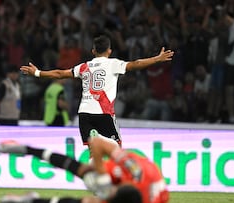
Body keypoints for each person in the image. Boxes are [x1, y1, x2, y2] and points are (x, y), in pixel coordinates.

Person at [20, 35, 174, 148]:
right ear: (109, 50)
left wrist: (38, 73)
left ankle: (95, 184)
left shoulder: (83, 67)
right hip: (104, 112)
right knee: (117, 146)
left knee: (93, 151)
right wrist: (156, 59)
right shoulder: (113, 64)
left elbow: (60, 73)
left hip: (85, 113)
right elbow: (136, 64)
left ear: (93, 50)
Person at [0, 129, 169, 203]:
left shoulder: (157, 198)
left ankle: (31, 201)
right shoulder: (131, 167)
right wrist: (103, 179)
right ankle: (26, 149)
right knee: (85, 172)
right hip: (122, 177)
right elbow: (96, 142)